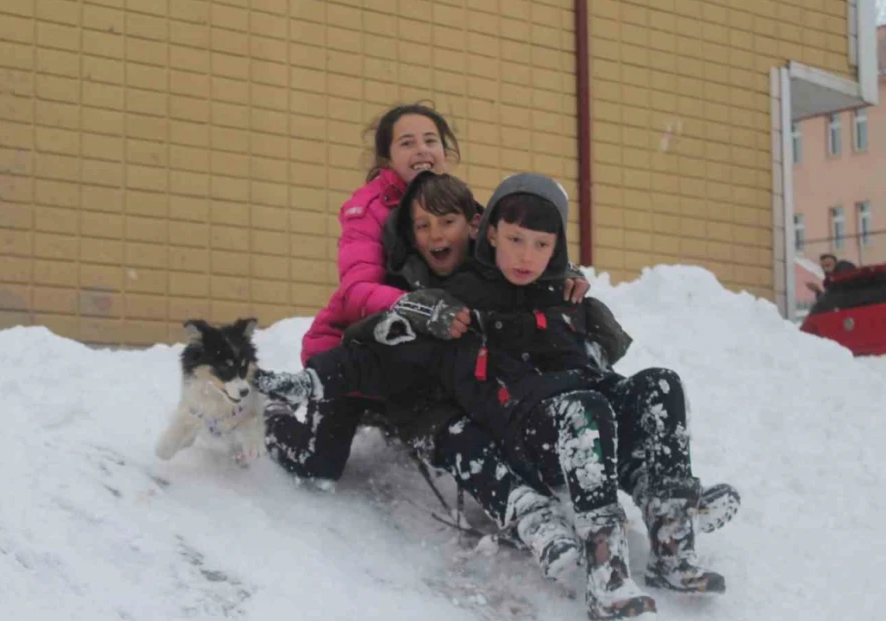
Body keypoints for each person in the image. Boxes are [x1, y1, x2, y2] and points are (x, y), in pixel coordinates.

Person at [258, 172, 735, 620]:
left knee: (661, 384)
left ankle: (672, 541)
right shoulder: (459, 301)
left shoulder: (561, 294)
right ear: (489, 234)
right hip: (528, 430)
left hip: (587, 414)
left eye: (541, 245)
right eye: (515, 241)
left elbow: (602, 358)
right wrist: (313, 381)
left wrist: (582, 308)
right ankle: (605, 576)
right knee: (585, 410)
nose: (527, 256)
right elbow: (383, 351)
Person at [263, 102, 593, 583]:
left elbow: (516, 248)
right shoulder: (367, 210)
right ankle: (275, 415)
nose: (422, 149)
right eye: (407, 142)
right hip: (356, 346)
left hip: (433, 348)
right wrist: (416, 305)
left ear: (447, 151)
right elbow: (356, 292)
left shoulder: (463, 206)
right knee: (319, 466)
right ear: (385, 158)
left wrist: (561, 275)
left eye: (431, 140)